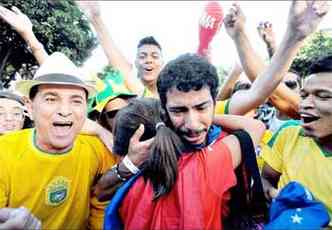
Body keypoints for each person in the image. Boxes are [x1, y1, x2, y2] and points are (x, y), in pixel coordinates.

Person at [98, 53, 266, 230]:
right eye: (179, 111)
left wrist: (129, 164)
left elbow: (100, 192)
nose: (193, 125)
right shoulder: (209, 164)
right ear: (164, 111)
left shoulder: (128, 181)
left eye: (201, 107)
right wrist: (207, 117)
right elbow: (256, 127)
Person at [0, 52, 117, 229]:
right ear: (30, 107)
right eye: (51, 99)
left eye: (76, 101)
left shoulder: (98, 149)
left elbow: (101, 203)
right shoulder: (4, 153)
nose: (64, 110)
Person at [261, 54, 332, 223]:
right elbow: (266, 178)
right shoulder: (288, 133)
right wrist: (272, 194)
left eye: (322, 95)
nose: (305, 104)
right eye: (304, 95)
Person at [76, 1, 163, 98]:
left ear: (162, 63)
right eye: (142, 56)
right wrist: (95, 19)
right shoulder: (133, 93)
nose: (148, 60)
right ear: (136, 63)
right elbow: (122, 67)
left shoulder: (170, 94)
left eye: (154, 56)